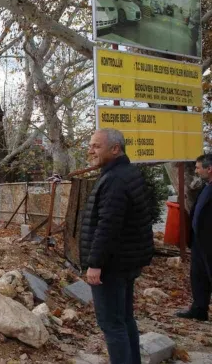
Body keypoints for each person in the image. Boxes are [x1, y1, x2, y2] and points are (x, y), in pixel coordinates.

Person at [80, 128, 154, 364]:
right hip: (126, 261)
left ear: (115, 149)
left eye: (96, 146)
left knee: (112, 325)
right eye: (91, 145)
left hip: (111, 266)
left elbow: (108, 226)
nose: (91, 150)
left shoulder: (114, 179)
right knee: (124, 319)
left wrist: (95, 264)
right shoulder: (127, 172)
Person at [176, 154, 212, 321]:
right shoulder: (206, 186)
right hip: (200, 242)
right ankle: (199, 309)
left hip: (209, 242)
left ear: (209, 168)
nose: (196, 171)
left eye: (198, 168)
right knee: (198, 277)